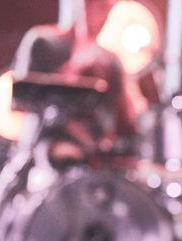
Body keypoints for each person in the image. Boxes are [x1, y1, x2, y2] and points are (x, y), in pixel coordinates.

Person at [10, 0, 145, 164]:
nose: (98, 13)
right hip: (43, 152)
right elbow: (23, 99)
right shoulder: (43, 43)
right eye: (92, 4)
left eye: (105, 6)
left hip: (92, 159)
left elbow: (126, 118)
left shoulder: (110, 61)